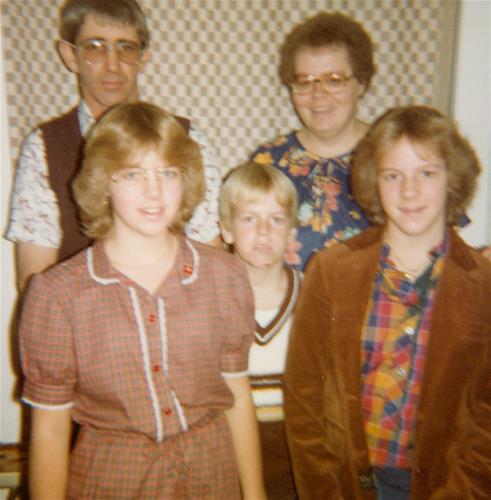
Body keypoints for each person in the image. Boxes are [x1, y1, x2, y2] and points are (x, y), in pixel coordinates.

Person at [19, 102, 266, 500]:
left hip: (212, 474)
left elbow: (237, 394)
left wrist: (255, 495)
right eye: (133, 173)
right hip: (113, 481)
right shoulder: (59, 294)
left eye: (168, 173)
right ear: (103, 182)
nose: (154, 192)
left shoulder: (224, 276)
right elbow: (49, 429)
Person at [283, 105, 491, 499]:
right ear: (373, 180)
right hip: (346, 483)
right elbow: (304, 398)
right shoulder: (331, 270)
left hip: (445, 485)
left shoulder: (483, 284)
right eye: (393, 175)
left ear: (451, 178)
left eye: (426, 173)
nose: (409, 191)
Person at [6, 0, 222, 294]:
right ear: (70, 56)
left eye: (126, 48)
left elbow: (211, 262)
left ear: (143, 57)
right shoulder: (43, 147)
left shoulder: (187, 139)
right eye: (95, 47)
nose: (112, 65)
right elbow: (35, 284)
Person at [251, 11, 374, 270]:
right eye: (304, 81)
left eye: (334, 80)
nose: (318, 94)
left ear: (362, 83)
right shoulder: (269, 162)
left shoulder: (391, 157)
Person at [220, 162, 301, 499]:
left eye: (277, 219)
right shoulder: (212, 301)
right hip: (229, 463)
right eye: (249, 219)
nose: (264, 231)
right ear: (226, 230)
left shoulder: (313, 297)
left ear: (292, 233)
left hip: (296, 461)